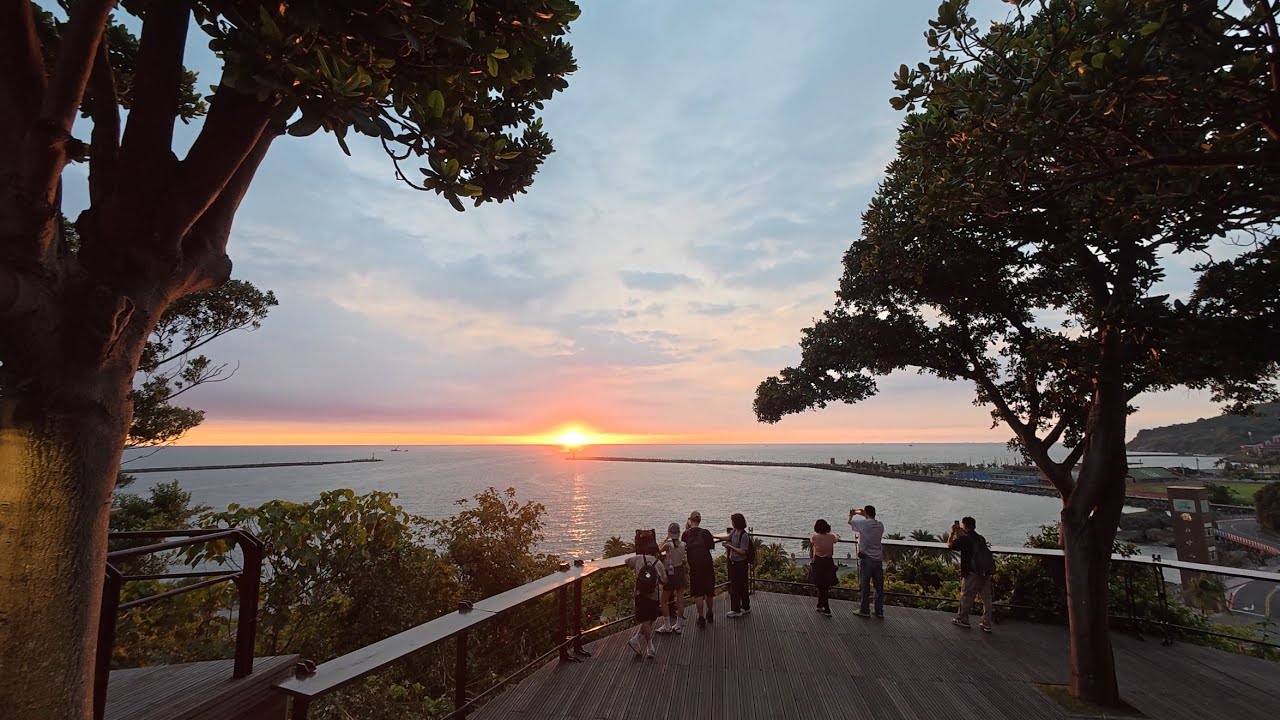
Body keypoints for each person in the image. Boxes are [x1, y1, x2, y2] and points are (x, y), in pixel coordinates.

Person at [949, 516, 995, 633]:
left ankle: (963, 619)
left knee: (966, 596)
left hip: (972, 573)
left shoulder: (965, 538)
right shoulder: (980, 538)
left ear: (964, 525)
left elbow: (950, 545)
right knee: (987, 598)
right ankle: (986, 622)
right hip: (985, 571)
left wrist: (953, 532)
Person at [625, 529, 666, 657]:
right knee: (650, 618)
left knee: (646, 619)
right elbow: (664, 580)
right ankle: (650, 646)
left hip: (640, 594)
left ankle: (637, 639)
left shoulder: (638, 558)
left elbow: (626, 562)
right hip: (653, 595)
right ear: (656, 553)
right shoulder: (658, 563)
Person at [848, 504, 885, 618]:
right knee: (879, 586)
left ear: (866, 513)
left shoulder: (863, 524)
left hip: (866, 558)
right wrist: (862, 513)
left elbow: (850, 522)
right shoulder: (880, 525)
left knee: (865, 585)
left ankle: (864, 610)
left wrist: (852, 514)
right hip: (878, 559)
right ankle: (879, 610)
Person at [681, 511, 717, 627]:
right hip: (707, 565)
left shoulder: (686, 534)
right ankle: (710, 613)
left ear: (690, 520)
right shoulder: (705, 533)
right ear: (700, 520)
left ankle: (701, 617)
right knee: (709, 591)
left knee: (698, 594)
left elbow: (683, 548)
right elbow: (711, 546)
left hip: (694, 567)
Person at [656, 523, 688, 634]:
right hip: (680, 571)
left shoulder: (668, 545)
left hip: (670, 573)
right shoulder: (683, 544)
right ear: (679, 533)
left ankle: (667, 625)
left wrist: (666, 538)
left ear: (670, 533)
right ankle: (678, 625)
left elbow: (658, 551)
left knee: (663, 600)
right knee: (680, 600)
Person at [809, 519, 841, 616]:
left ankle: (825, 607)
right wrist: (834, 534)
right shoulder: (831, 537)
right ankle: (821, 604)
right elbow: (837, 538)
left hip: (818, 562)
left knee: (820, 584)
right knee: (825, 585)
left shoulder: (814, 538)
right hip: (828, 562)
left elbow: (811, 540)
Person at [725, 513, 752, 618]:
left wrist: (731, 547)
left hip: (740, 563)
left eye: (733, 521)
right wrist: (713, 536)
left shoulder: (744, 535)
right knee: (741, 585)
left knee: (736, 586)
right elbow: (728, 538)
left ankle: (736, 609)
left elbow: (743, 551)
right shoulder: (735, 532)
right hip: (735, 562)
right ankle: (745, 607)